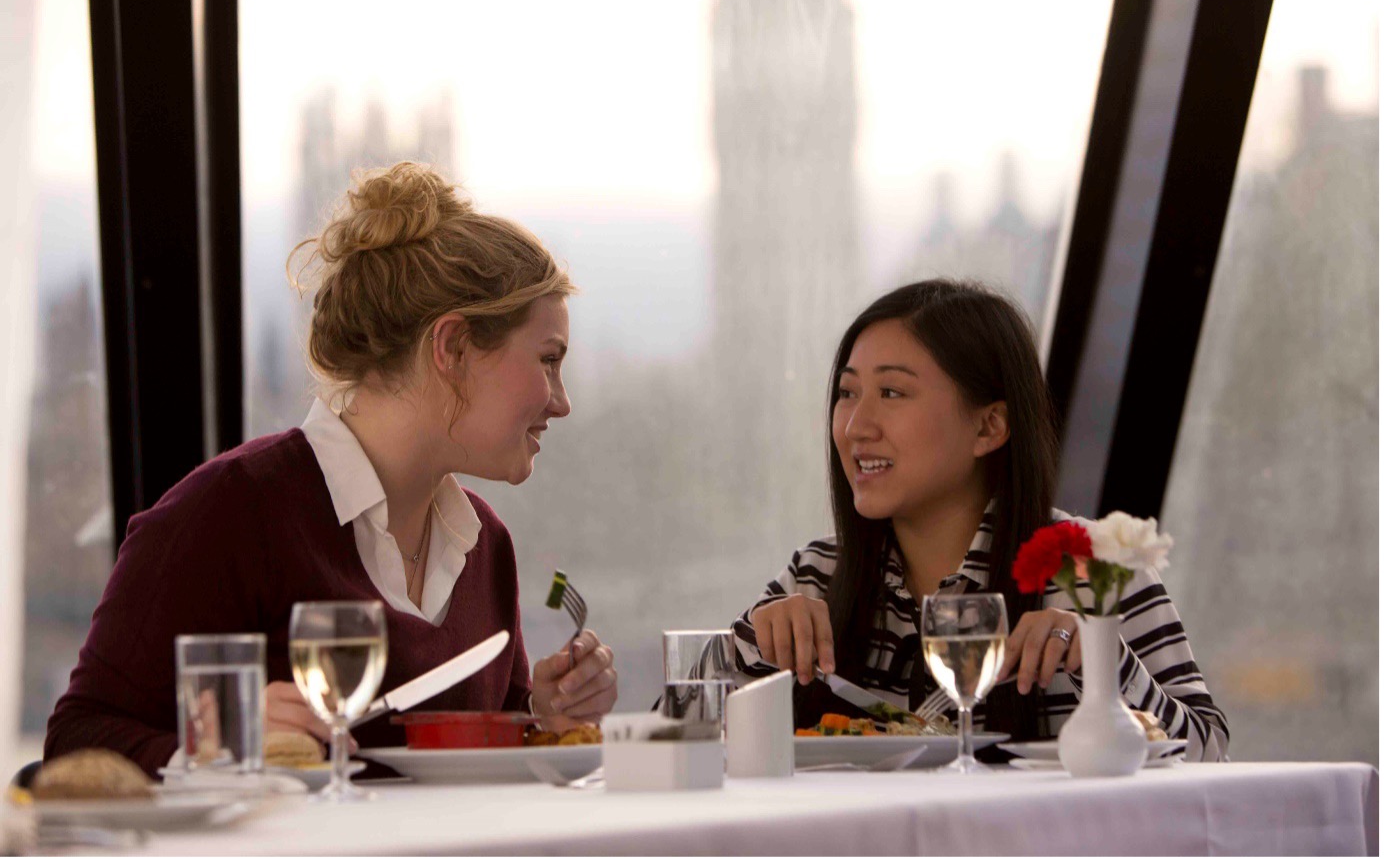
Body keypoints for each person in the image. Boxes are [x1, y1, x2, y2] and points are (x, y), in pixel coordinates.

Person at [46, 163, 618, 776]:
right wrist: (217, 751)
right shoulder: (228, 514)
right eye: (548, 360)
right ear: (451, 347)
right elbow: (76, 747)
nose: (561, 401)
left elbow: (475, 772)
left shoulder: (485, 547)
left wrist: (545, 721)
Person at [731, 279, 1228, 761]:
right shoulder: (818, 573)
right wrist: (756, 642)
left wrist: (1098, 656)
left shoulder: (1091, 570)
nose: (856, 426)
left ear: (990, 426)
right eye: (847, 393)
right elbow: (675, 734)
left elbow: (1207, 751)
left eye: (892, 393)